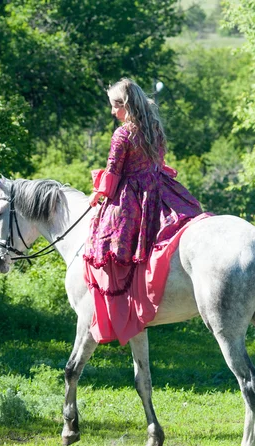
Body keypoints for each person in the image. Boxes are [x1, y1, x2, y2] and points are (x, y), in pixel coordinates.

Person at [83, 78, 210, 345]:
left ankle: (124, 301)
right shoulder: (154, 127)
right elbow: (158, 161)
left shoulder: (122, 134)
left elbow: (114, 171)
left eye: (114, 106)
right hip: (159, 188)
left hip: (132, 194)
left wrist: (98, 194)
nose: (112, 112)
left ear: (125, 106)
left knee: (107, 244)